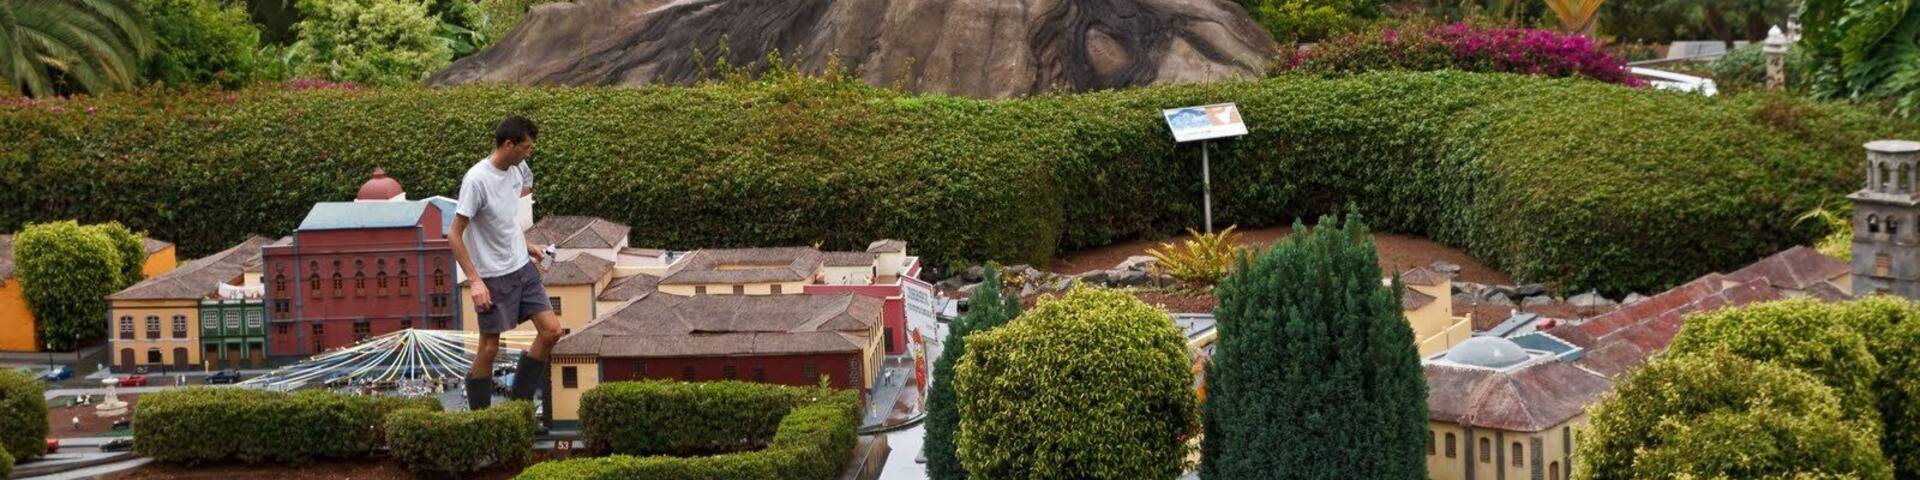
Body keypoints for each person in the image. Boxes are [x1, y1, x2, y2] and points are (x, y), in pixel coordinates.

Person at [451, 115, 562, 414]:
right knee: (489, 348)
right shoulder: (476, 181)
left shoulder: (518, 169)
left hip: (521, 267)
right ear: (508, 144)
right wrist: (475, 280)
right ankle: (482, 418)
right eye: (525, 147)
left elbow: (505, 220)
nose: (529, 153)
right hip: (492, 276)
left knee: (551, 331)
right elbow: (454, 235)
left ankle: (518, 407)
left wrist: (528, 246)